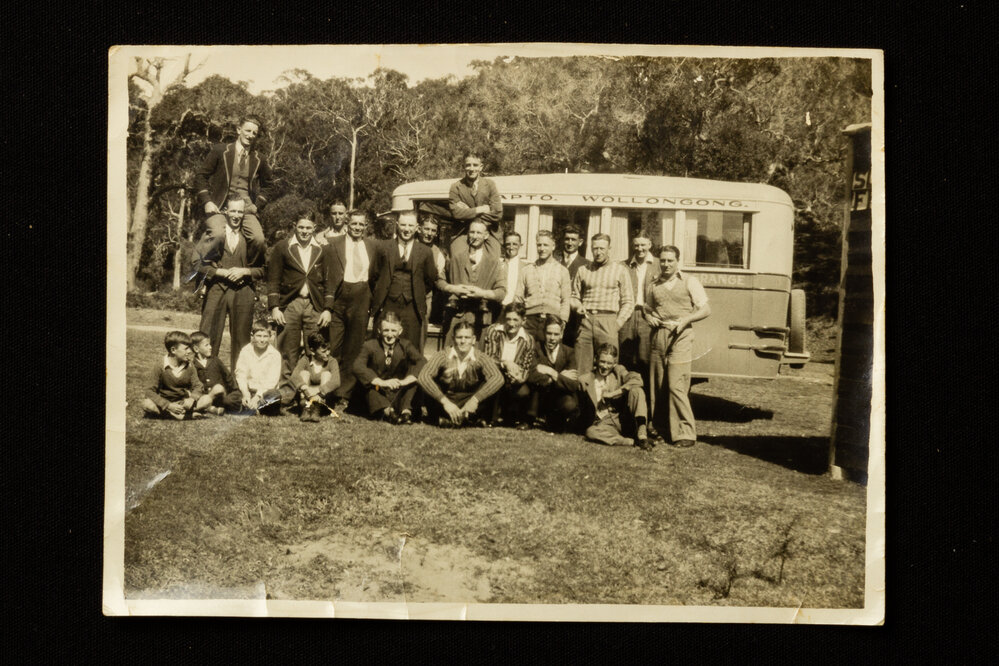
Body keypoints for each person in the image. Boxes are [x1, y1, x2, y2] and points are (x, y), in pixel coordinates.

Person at [644, 245, 711, 448]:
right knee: (658, 385)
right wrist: (649, 317)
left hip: (681, 335)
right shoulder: (653, 284)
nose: (665, 264)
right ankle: (660, 429)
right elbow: (648, 308)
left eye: (670, 260)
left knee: (676, 384)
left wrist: (685, 320)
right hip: (659, 335)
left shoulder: (689, 281)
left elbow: (706, 309)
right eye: (662, 260)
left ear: (677, 261)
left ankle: (685, 433)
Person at [195, 195, 266, 370]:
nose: (236, 215)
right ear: (226, 211)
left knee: (242, 341)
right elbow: (197, 264)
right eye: (232, 210)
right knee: (207, 337)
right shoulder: (214, 233)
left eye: (240, 212)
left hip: (243, 291)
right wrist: (220, 272)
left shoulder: (250, 236)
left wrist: (245, 271)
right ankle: (205, 380)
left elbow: (264, 269)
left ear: (245, 214)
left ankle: (238, 385)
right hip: (216, 288)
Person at [191, 116, 272, 270]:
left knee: (258, 239)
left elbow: (269, 185)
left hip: (246, 208)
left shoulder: (259, 159)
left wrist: (257, 205)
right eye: (247, 130)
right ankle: (207, 270)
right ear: (238, 130)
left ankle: (246, 271)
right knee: (217, 235)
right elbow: (200, 176)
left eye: (254, 133)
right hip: (220, 206)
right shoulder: (220, 150)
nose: (250, 135)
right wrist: (207, 201)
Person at [326, 210, 379, 410]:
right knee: (333, 345)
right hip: (339, 296)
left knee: (354, 348)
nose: (358, 227)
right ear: (347, 224)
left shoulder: (373, 246)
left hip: (361, 296)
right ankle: (327, 390)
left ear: (366, 226)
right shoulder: (334, 244)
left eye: (361, 224)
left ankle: (344, 395)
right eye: (354, 224)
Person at [266, 216, 333, 370]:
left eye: (308, 228)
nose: (304, 231)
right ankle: (287, 389)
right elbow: (273, 279)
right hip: (290, 304)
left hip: (314, 304)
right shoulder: (283, 247)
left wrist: (327, 309)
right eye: (301, 227)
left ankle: (310, 388)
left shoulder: (322, 249)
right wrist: (275, 307)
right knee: (287, 350)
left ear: (314, 228)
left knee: (315, 349)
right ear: (294, 226)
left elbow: (329, 281)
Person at [370, 211, 442, 351]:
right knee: (383, 345)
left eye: (410, 225)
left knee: (410, 347)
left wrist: (415, 292)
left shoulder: (425, 252)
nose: (407, 229)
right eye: (403, 225)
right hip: (387, 304)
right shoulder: (383, 248)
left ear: (416, 228)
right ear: (397, 225)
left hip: (412, 308)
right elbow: (374, 276)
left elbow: (429, 280)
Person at [417, 320, 504, 427]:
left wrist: (475, 400)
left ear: (473, 340)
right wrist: (446, 403)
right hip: (445, 401)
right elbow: (423, 377)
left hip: (470, 402)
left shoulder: (480, 357)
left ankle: (463, 419)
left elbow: (498, 378)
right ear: (453, 339)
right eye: (459, 337)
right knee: (428, 384)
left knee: (492, 384)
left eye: (467, 338)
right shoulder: (442, 355)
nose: (463, 341)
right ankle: (458, 420)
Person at [570, 233, 634, 374]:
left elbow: (628, 302)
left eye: (602, 248)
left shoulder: (620, 270)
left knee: (607, 366)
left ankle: (607, 396)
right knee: (581, 366)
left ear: (609, 249)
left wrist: (616, 324)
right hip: (585, 321)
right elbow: (573, 296)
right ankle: (584, 395)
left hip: (608, 320)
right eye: (595, 248)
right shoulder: (583, 270)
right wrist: (577, 306)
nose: (598, 252)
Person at [438, 219, 506, 344]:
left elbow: (501, 292)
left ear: (486, 236)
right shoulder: (455, 258)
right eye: (472, 232)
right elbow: (440, 281)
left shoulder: (494, 262)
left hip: (480, 319)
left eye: (479, 233)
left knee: (475, 360)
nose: (475, 236)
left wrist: (483, 293)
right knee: (450, 357)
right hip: (456, 316)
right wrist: (453, 289)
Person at [353, 312, 425, 424]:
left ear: (400, 331)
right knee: (370, 386)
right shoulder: (369, 345)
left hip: (397, 390)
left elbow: (422, 361)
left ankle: (406, 413)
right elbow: (357, 366)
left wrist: (404, 381)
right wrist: (381, 382)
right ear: (379, 331)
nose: (390, 335)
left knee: (414, 379)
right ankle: (389, 413)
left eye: (393, 331)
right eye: (386, 330)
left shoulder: (406, 345)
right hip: (379, 390)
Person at [618, 233, 661, 415]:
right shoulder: (624, 265)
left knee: (646, 360)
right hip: (628, 314)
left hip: (648, 316)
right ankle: (624, 404)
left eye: (643, 245)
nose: (640, 249)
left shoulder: (659, 264)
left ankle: (650, 409)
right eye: (636, 245)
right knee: (624, 358)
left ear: (650, 244)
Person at [577, 343, 650, 449]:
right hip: (604, 423)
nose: (605, 366)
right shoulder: (584, 380)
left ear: (614, 363)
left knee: (637, 391)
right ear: (596, 359)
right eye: (602, 361)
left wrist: (612, 394)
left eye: (609, 363)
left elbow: (637, 380)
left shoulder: (618, 372)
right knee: (591, 432)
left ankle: (642, 435)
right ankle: (632, 442)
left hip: (623, 418)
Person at [478, 302, 536, 428]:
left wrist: (521, 378)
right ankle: (488, 418)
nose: (511, 323)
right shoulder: (494, 331)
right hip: (495, 372)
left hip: (513, 377)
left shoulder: (528, 340)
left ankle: (514, 418)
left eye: (515, 319)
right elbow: (489, 357)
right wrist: (506, 363)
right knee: (497, 380)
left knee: (523, 392)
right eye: (508, 319)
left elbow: (526, 365)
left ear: (523, 320)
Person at [515, 229, 571, 344]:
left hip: (552, 321)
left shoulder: (562, 271)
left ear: (553, 246)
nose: (542, 248)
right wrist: (520, 319)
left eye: (545, 245)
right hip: (529, 321)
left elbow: (566, 300)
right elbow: (518, 298)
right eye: (539, 245)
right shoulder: (526, 270)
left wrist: (563, 321)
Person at [525, 314, 580, 432]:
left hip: (557, 397)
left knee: (569, 404)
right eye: (549, 333)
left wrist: (551, 372)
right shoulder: (536, 347)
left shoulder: (569, 352)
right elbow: (530, 375)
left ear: (561, 335)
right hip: (538, 396)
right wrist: (559, 377)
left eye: (556, 334)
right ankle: (529, 419)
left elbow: (573, 384)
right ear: (544, 333)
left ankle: (553, 421)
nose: (552, 338)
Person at [142, 331, 213, 420]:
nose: (189, 351)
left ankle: (176, 414)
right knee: (147, 404)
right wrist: (168, 405)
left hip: (183, 403)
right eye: (186, 348)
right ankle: (181, 415)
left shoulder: (189, 366)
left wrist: (192, 399)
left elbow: (198, 386)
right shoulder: (160, 366)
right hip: (165, 404)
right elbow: (149, 391)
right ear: (173, 350)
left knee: (207, 399)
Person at [448, 151, 502, 262]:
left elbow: (497, 213)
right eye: (468, 165)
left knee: (494, 259)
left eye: (475, 165)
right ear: (464, 167)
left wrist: (468, 212)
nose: (471, 169)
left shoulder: (490, 185)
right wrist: (480, 209)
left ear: (481, 167)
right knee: (457, 257)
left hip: (489, 231)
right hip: (463, 232)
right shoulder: (456, 187)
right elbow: (456, 213)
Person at [234, 321, 293, 415]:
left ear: (270, 337)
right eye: (258, 336)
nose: (262, 340)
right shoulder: (245, 351)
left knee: (275, 396)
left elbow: (272, 381)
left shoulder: (274, 354)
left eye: (265, 336)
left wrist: (257, 397)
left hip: (265, 392)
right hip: (249, 390)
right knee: (230, 399)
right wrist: (245, 393)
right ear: (252, 336)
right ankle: (254, 407)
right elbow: (241, 374)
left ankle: (252, 408)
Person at [288, 333, 341, 422]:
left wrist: (318, 391)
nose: (327, 353)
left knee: (326, 374)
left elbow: (336, 381)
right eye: (323, 351)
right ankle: (306, 407)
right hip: (306, 394)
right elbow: (294, 376)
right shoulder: (305, 360)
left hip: (323, 398)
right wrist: (305, 388)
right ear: (312, 351)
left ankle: (317, 407)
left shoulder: (332, 361)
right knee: (304, 373)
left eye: (328, 349)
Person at [190, 331, 242, 415]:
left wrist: (235, 391)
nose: (210, 347)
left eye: (210, 344)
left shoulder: (216, 361)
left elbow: (228, 377)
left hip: (221, 396)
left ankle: (208, 408)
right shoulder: (192, 364)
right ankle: (210, 408)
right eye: (206, 345)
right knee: (197, 398)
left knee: (219, 389)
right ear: (196, 349)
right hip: (203, 397)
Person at [555, 224, 589, 346]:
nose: (569, 243)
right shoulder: (554, 261)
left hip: (575, 319)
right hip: (555, 314)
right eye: (567, 239)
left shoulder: (587, 265)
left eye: (573, 239)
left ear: (580, 242)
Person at [418, 214, 449, 345]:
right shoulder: (409, 245)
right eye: (426, 229)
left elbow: (439, 279)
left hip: (425, 298)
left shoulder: (438, 253)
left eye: (433, 230)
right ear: (419, 229)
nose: (429, 233)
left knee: (420, 333)